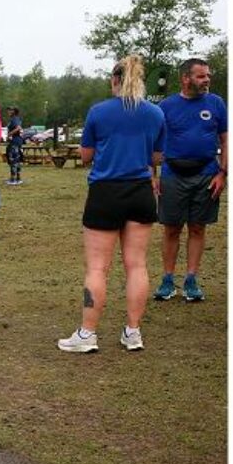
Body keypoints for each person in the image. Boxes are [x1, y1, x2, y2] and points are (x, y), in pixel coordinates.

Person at [59, 56, 164, 353]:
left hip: (106, 193)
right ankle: (133, 332)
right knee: (137, 265)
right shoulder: (155, 114)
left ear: (114, 80)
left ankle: (88, 334)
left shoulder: (99, 112)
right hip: (141, 191)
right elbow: (157, 157)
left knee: (97, 267)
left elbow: (85, 156)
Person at [153, 58, 228, 304]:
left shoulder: (216, 103)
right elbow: (153, 144)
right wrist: (153, 175)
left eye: (208, 75)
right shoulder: (165, 106)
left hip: (207, 174)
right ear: (186, 78)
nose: (207, 80)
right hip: (173, 175)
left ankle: (191, 280)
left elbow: (226, 140)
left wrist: (223, 173)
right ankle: (167, 279)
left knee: (197, 227)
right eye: (201, 76)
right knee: (172, 228)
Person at [6, 107, 25, 184]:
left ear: (13, 112)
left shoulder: (14, 119)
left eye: (10, 110)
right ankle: (18, 178)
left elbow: (18, 128)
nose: (8, 112)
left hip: (15, 141)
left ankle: (13, 179)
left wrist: (9, 134)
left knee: (13, 159)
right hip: (17, 140)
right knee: (17, 159)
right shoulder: (16, 118)